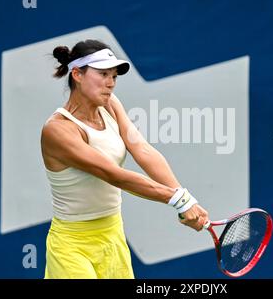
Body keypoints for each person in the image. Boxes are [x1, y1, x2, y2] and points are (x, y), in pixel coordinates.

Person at [40, 39, 209, 279]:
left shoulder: (110, 105)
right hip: (71, 246)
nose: (110, 84)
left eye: (114, 76)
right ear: (77, 74)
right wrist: (178, 200)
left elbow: (142, 149)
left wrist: (185, 197)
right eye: (103, 74)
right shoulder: (57, 130)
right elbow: (113, 174)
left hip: (112, 237)